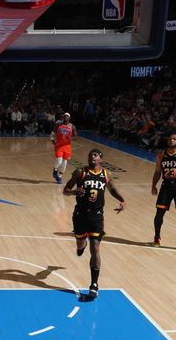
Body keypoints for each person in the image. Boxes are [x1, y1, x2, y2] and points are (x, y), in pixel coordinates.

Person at [63, 149, 126, 298]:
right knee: (80, 244)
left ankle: (94, 285)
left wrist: (122, 200)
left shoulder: (106, 174)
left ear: (101, 160)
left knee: (95, 248)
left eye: (95, 155)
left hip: (97, 216)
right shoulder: (80, 172)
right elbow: (65, 190)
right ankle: (81, 245)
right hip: (80, 215)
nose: (92, 157)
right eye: (90, 155)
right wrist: (73, 192)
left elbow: (112, 189)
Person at [52, 113, 77, 184]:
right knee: (59, 161)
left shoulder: (72, 126)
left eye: (67, 116)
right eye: (64, 116)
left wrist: (71, 138)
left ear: (69, 118)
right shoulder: (58, 124)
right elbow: (53, 133)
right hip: (59, 146)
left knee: (64, 164)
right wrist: (52, 140)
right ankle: (55, 169)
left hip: (67, 147)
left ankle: (59, 177)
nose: (65, 117)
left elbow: (75, 137)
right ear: (63, 117)